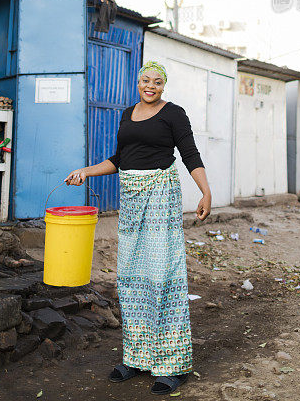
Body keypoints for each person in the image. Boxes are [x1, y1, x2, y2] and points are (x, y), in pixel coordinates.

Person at [65, 60, 211, 396]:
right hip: (131, 199)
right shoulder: (127, 113)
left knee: (162, 275)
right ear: (138, 82)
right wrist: (85, 171)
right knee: (131, 276)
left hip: (160, 195)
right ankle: (137, 356)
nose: (150, 86)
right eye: (145, 80)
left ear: (164, 86)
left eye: (157, 82)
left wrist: (205, 191)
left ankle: (173, 364)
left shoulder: (174, 113)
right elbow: (119, 160)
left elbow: (189, 153)